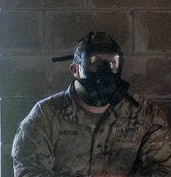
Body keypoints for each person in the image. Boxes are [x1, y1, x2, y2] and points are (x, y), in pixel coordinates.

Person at [12, 31, 171, 176]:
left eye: (112, 63)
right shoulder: (45, 116)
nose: (105, 71)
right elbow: (29, 170)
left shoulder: (145, 114)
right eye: (93, 62)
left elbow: (163, 168)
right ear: (75, 69)